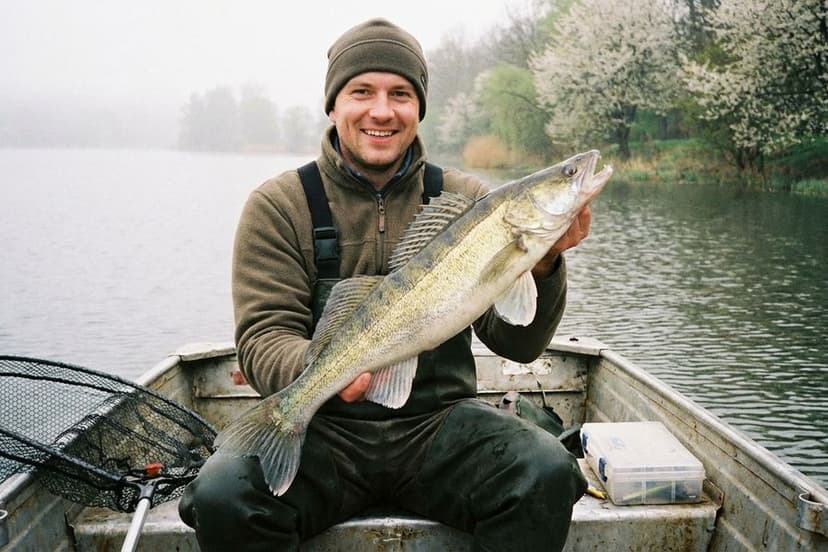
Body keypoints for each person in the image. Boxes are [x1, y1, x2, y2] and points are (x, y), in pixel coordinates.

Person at [179, 17, 590, 551]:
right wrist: (324, 371)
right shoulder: (278, 205)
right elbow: (262, 339)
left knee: (546, 472)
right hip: (327, 431)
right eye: (361, 92)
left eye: (400, 93)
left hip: (439, 427)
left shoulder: (469, 200)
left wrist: (543, 267)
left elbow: (521, 343)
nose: (382, 110)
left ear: (419, 107)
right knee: (223, 495)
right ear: (333, 105)